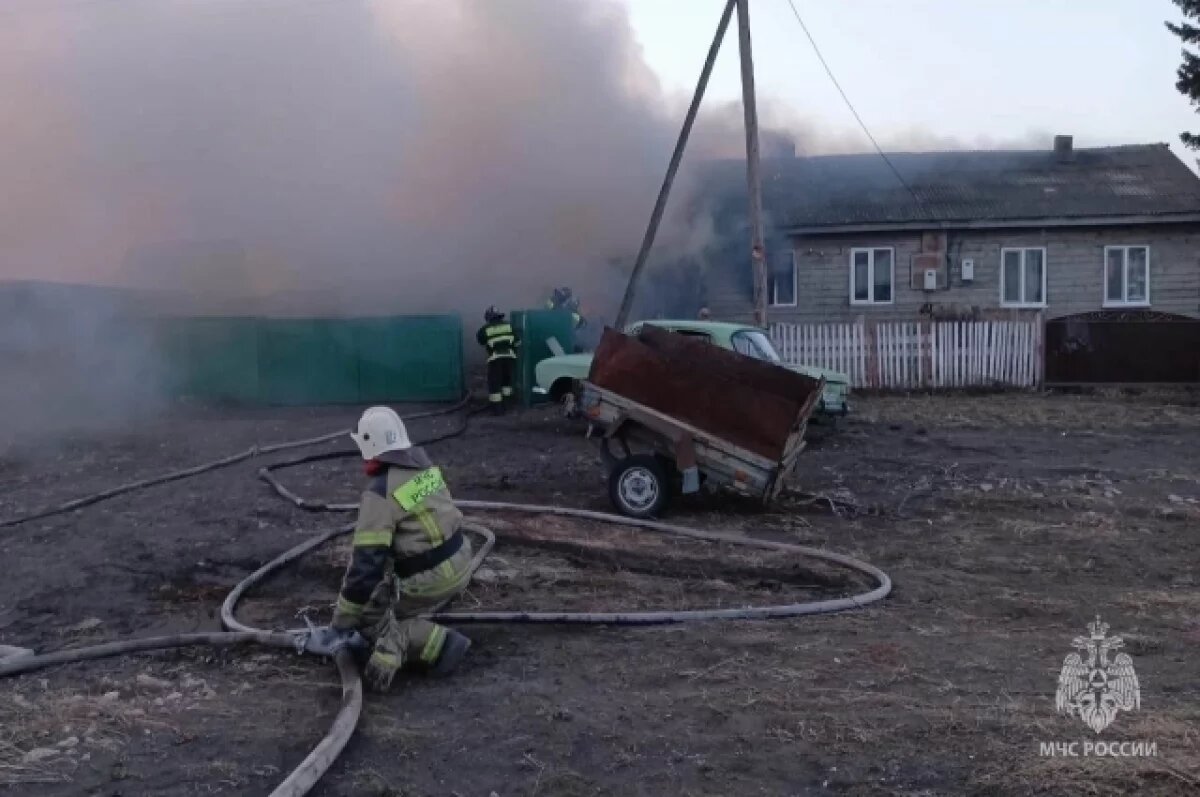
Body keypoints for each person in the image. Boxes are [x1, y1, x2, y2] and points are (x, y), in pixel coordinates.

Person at [306, 407, 474, 691]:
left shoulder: (380, 492)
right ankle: (413, 636)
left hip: (433, 578)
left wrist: (342, 623)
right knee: (383, 598)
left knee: (368, 616)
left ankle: (436, 645)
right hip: (461, 560)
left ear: (369, 445)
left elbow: (365, 567)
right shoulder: (425, 469)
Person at [476, 306, 519, 414]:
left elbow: (481, 341)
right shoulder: (509, 325)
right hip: (510, 358)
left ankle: (497, 410)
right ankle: (508, 406)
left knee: (494, 383)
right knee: (506, 382)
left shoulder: (485, 329)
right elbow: (518, 342)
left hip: (495, 359)